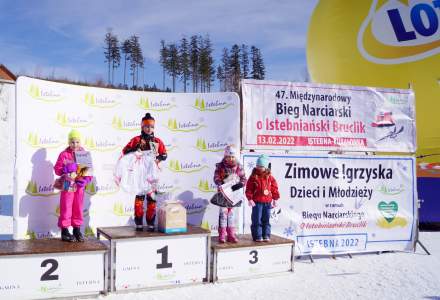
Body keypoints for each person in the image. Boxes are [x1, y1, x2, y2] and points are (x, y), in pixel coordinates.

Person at [122, 113, 167, 231]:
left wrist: (159, 158)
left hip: (153, 175)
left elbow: (164, 155)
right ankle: (139, 223)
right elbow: (125, 151)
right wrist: (134, 149)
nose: (149, 129)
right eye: (147, 126)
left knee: (152, 199)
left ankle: (151, 222)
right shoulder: (137, 140)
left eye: (152, 127)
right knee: (140, 198)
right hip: (140, 174)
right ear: (142, 127)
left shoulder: (157, 141)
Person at [54, 129, 92, 242]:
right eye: (72, 142)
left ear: (80, 142)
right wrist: (64, 169)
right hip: (67, 185)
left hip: (79, 186)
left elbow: (89, 172)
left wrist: (85, 181)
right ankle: (64, 231)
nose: (74, 145)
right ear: (68, 142)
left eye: (77, 142)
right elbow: (57, 169)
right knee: (66, 206)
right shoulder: (64, 154)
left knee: (78, 207)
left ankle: (77, 229)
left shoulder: (84, 154)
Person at [212, 146, 246, 243]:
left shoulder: (239, 167)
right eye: (228, 156)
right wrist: (220, 183)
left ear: (235, 157)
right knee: (223, 214)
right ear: (225, 156)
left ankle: (231, 234)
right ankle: (222, 234)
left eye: (232, 156)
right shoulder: (220, 166)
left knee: (231, 214)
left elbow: (244, 179)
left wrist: (240, 185)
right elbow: (216, 177)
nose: (230, 158)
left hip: (233, 194)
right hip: (223, 194)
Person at [245, 154, 280, 242]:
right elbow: (249, 188)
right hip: (257, 202)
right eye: (257, 166)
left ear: (265, 167)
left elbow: (274, 188)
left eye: (261, 166)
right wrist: (250, 199)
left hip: (267, 202)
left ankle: (266, 235)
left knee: (266, 219)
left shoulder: (270, 177)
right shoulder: (253, 177)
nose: (259, 168)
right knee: (256, 219)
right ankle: (257, 236)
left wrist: (275, 199)